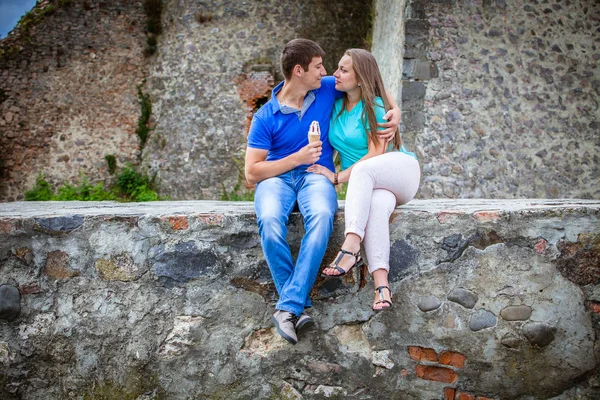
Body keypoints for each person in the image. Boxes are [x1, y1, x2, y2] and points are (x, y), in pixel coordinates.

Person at [245, 39, 401, 344]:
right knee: (269, 221)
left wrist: (395, 110)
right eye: (318, 66)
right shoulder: (265, 116)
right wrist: (295, 159)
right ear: (300, 70)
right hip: (276, 178)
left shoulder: (326, 88)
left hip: (316, 176)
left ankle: (287, 307)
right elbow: (252, 173)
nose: (326, 72)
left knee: (321, 216)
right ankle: (295, 306)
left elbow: (371, 84)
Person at [307, 48, 420, 311]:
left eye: (344, 70)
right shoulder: (335, 105)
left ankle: (351, 246)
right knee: (377, 206)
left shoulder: (376, 106)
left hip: (400, 171)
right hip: (371, 185)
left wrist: (336, 177)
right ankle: (382, 286)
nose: (335, 73)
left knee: (362, 169)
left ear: (360, 78)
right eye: (337, 67)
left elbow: (376, 153)